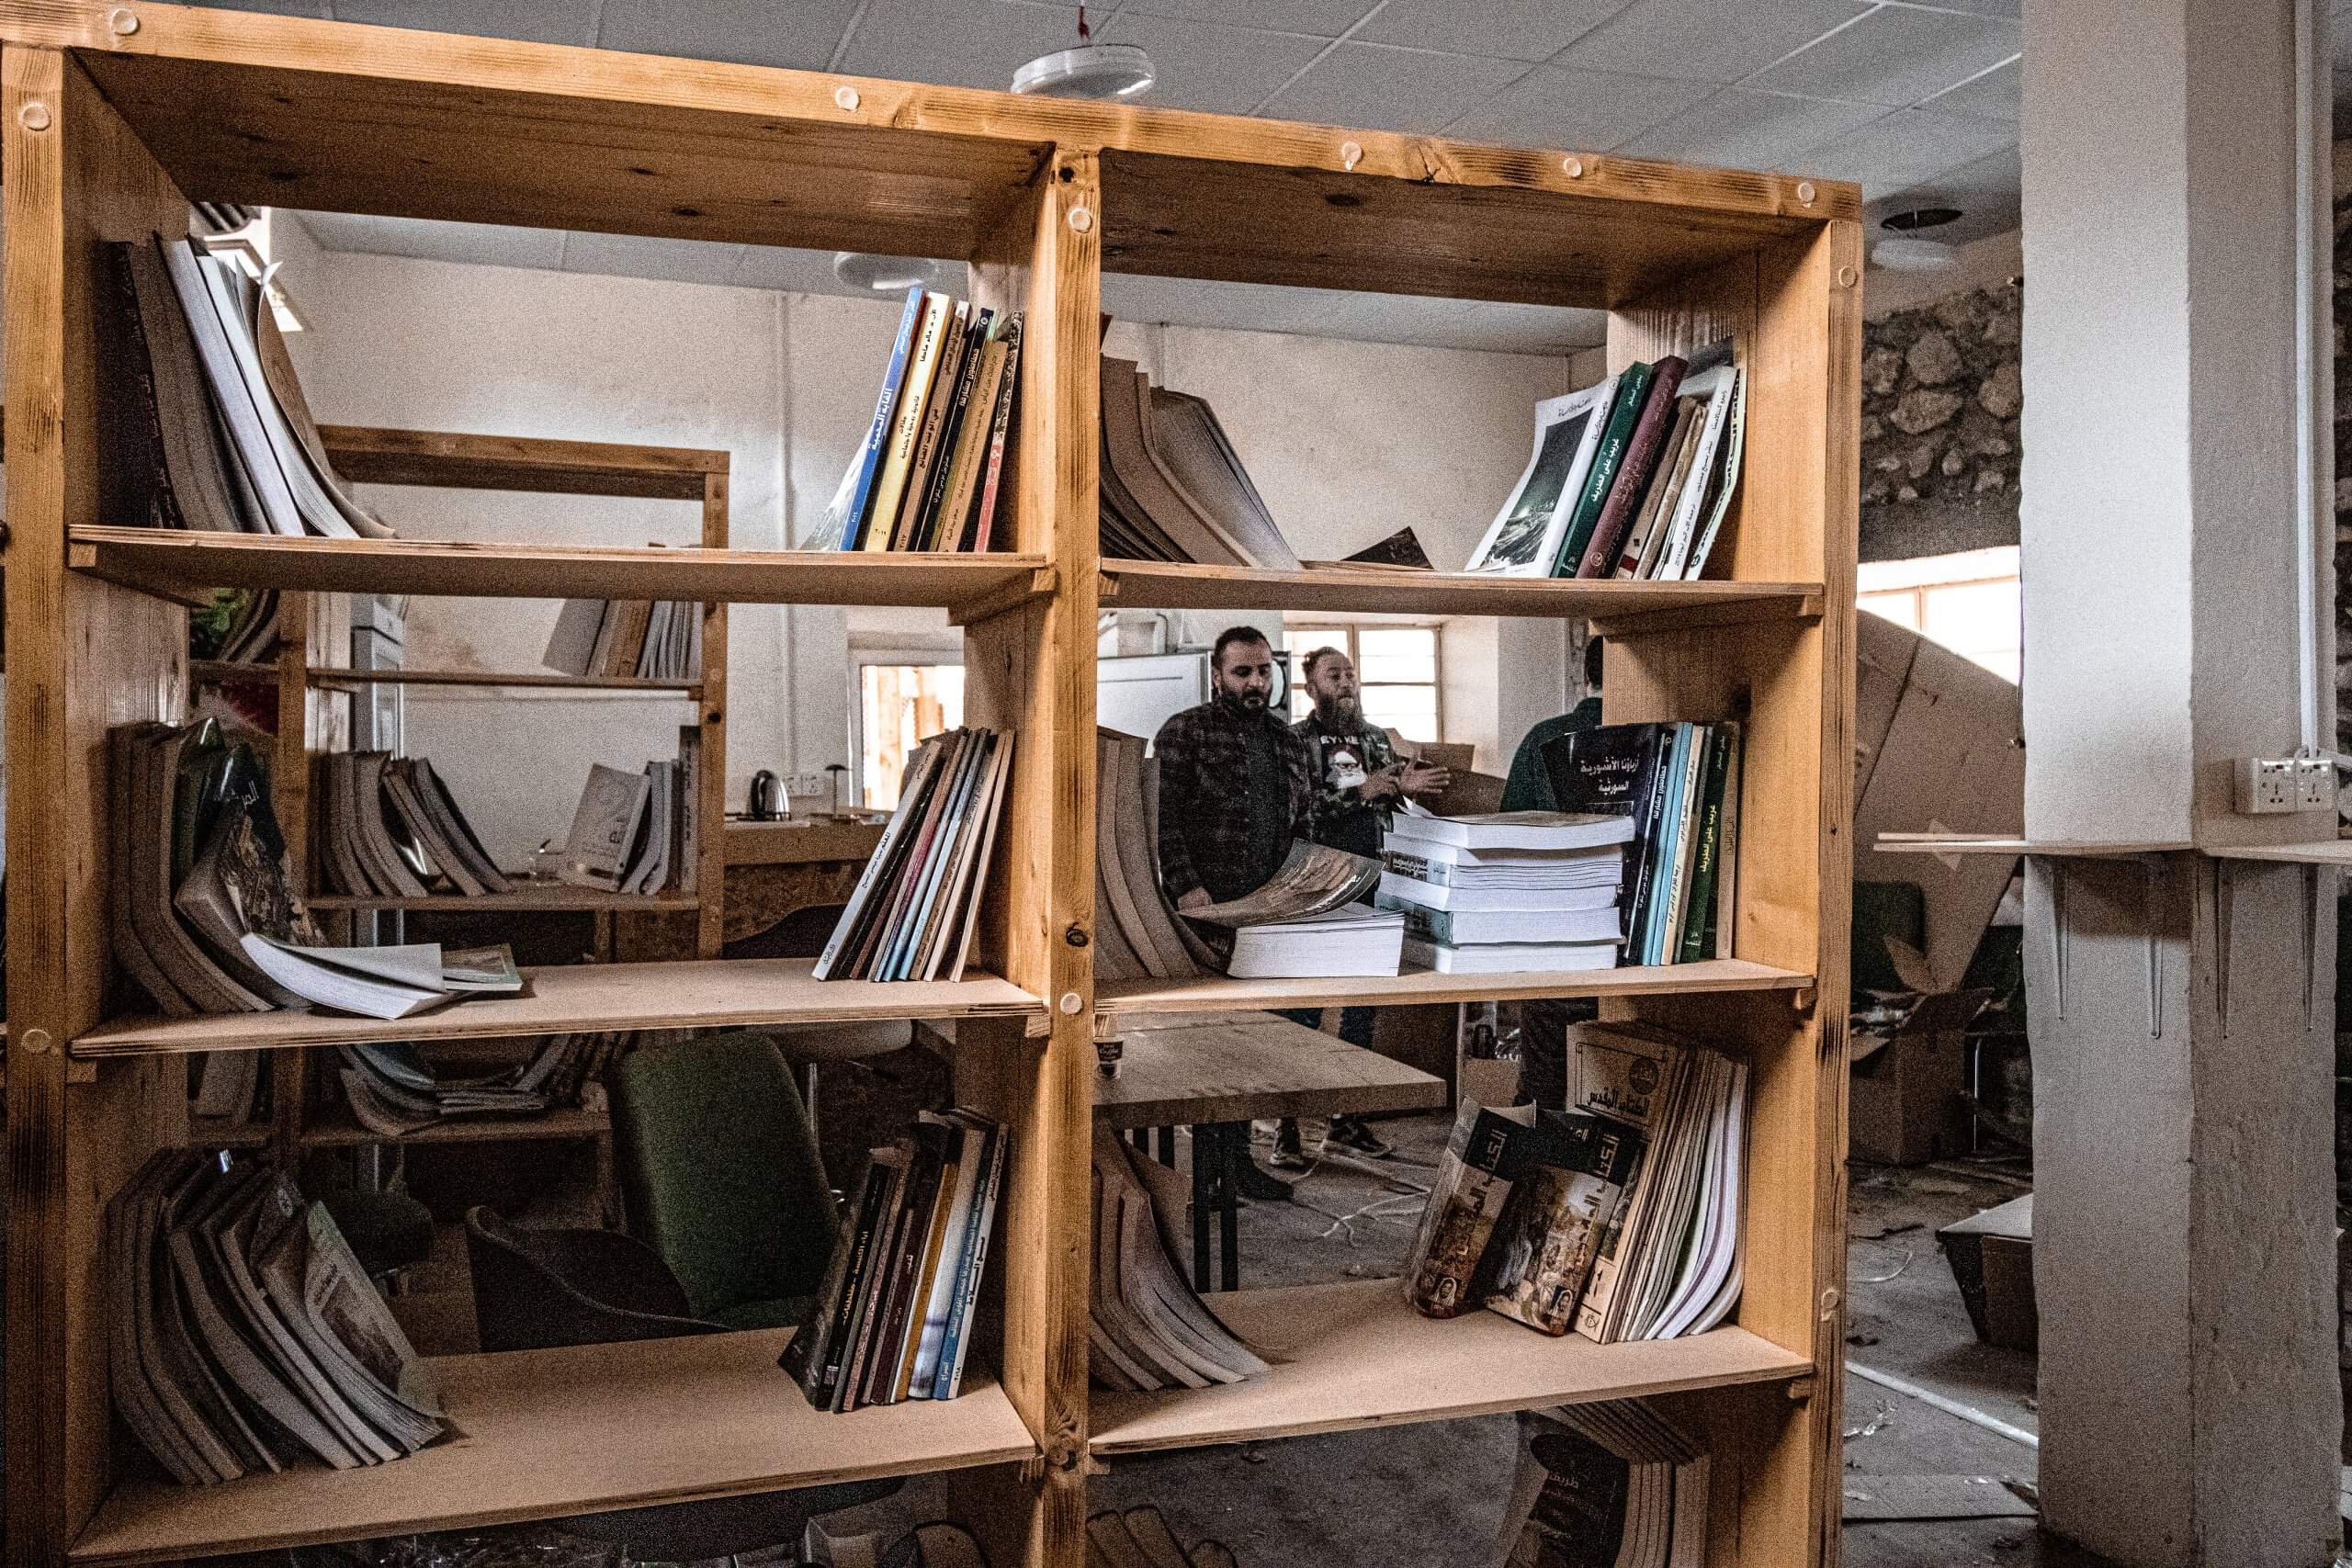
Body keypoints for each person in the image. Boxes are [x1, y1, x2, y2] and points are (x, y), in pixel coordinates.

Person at [1153, 626, 1317, 1201]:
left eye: (1264, 671)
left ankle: (1238, 1161)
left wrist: (1307, 891)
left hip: (1272, 908)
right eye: (1242, 672)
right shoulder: (1185, 732)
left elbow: (1304, 824)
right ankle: (1208, 1172)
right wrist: (1188, 888)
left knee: (1257, 1040)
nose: (1255, 682)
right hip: (1209, 909)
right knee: (1212, 1042)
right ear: (1218, 675)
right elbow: (1163, 819)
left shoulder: (1289, 740)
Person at [1274, 646, 1451, 1167]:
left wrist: (1400, 786)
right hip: (1316, 880)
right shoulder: (1298, 740)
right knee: (1305, 1007)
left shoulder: (1375, 739)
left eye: (1351, 674)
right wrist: (1372, 788)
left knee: (1362, 1003)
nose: (1347, 682)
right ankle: (1288, 1125)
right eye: (1335, 676)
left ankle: (1345, 1121)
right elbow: (1302, 803)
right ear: (1312, 688)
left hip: (1372, 878)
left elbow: (1388, 796)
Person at [1497, 636, 1606, 1110]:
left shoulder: (1544, 736)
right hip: (1643, 929)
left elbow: (1508, 832)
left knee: (1545, 1078)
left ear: (1586, 674)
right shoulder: (1668, 732)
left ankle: (1540, 1170)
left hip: (1554, 928)